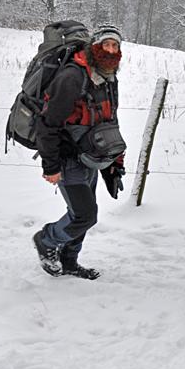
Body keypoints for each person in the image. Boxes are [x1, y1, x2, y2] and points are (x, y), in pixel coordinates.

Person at [32, 24, 127, 280]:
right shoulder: (73, 77)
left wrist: (114, 163)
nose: (110, 50)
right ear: (94, 47)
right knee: (85, 215)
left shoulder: (108, 78)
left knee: (85, 212)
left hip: (91, 157)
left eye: (115, 46)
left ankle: (70, 261)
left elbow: (109, 122)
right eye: (105, 44)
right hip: (67, 157)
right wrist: (50, 166)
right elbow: (48, 124)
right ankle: (46, 240)